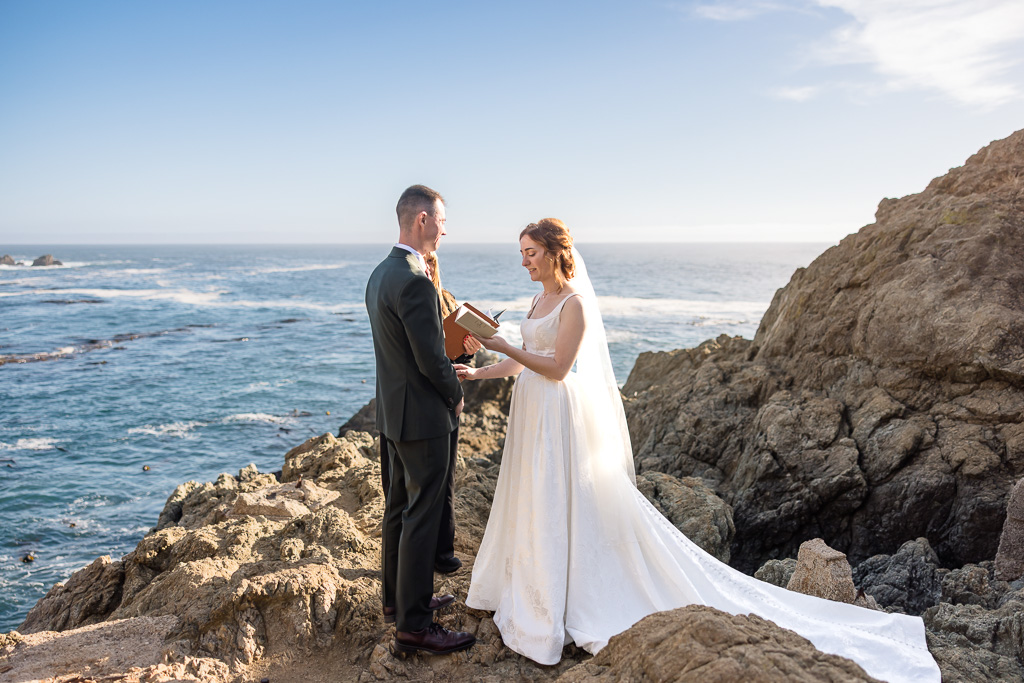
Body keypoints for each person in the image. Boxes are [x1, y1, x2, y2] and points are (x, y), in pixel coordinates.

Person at [455, 218, 941, 682]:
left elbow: (558, 367)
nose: (525, 262)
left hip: (557, 412)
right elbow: (525, 363)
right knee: (532, 497)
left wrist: (501, 343)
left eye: (531, 253)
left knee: (558, 498)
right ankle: (528, 588)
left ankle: (559, 601)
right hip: (530, 411)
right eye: (521, 254)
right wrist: (482, 370)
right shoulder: (539, 298)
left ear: (555, 253)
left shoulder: (575, 304)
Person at [364, 184, 476, 656]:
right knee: (421, 517)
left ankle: (397, 602)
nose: (445, 231)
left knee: (398, 511)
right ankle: (414, 624)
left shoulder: (380, 273)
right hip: (424, 418)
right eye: (443, 222)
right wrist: (455, 396)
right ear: (423, 220)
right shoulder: (414, 279)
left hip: (392, 414)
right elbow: (431, 360)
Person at [377, 250, 481, 577]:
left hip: (442, 400)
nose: (430, 266)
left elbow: (459, 356)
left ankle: (442, 552)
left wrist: (468, 349)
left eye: (434, 262)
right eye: (427, 262)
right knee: (405, 495)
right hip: (421, 401)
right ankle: (409, 583)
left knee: (443, 483)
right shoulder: (412, 291)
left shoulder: (448, 300)